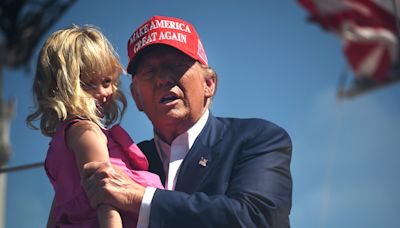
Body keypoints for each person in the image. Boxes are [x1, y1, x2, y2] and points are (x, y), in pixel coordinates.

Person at [82, 16, 293, 228]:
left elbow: (257, 218)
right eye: (149, 71)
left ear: (209, 84)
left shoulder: (257, 138)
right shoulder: (122, 161)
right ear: (136, 97)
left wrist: (142, 199)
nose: (162, 79)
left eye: (175, 65)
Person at [26, 25, 163, 228]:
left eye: (106, 81)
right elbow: (105, 195)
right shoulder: (85, 131)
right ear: (60, 86)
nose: (102, 92)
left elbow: (66, 201)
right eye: (88, 84)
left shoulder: (66, 138)